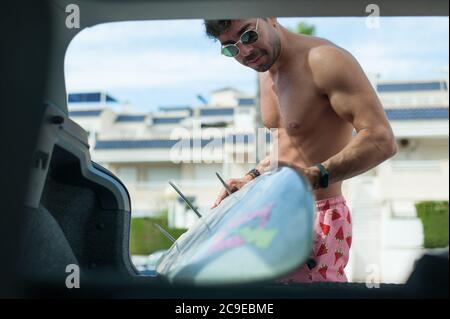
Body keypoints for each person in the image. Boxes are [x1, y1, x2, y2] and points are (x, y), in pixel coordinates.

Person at [204, 18, 397, 283]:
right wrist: (251, 177)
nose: (245, 52)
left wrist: (313, 176)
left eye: (248, 35)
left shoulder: (324, 60)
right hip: (272, 215)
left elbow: (381, 139)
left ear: (270, 18)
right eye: (231, 48)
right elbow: (292, 146)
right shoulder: (265, 69)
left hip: (316, 215)